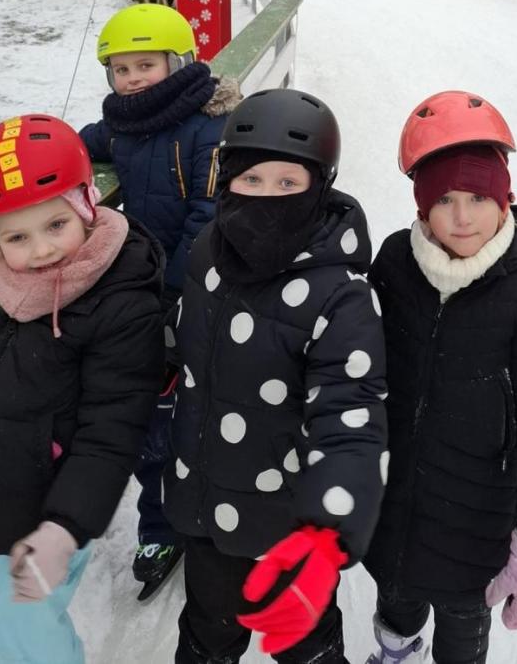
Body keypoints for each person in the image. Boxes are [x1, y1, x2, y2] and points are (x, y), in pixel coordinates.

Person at [0, 114, 163, 664]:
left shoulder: (120, 299)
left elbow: (112, 430)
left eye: (57, 225)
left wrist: (66, 526)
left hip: (33, 516)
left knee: (25, 647)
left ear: (85, 207)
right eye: (17, 237)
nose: (42, 249)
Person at [165, 88, 387, 664]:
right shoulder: (209, 251)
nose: (267, 198)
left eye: (288, 184)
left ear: (319, 188)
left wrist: (325, 540)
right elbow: (181, 338)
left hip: (290, 530)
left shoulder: (340, 297)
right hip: (206, 508)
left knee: (307, 648)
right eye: (252, 180)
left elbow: (351, 421)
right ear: (227, 180)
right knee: (206, 635)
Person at [365, 91, 517, 664]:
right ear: (420, 206)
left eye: (479, 197)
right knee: (397, 601)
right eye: (445, 200)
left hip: (478, 518)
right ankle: (395, 653)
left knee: (463, 625)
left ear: (504, 199)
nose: (462, 217)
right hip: (396, 501)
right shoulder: (394, 265)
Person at [79, 4, 240, 599]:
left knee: (177, 415)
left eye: (146, 65)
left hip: (191, 294)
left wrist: (170, 295)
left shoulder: (208, 126)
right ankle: (162, 520)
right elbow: (83, 145)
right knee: (147, 415)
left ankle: (181, 517)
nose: (133, 79)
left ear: (178, 63)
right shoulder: (123, 123)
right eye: (121, 69)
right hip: (143, 293)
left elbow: (207, 216)